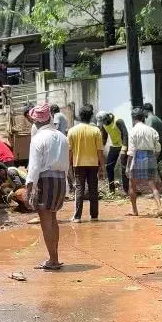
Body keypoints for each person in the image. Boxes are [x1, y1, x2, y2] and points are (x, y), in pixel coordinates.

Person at [25, 101, 69, 270]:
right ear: (50, 118)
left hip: (45, 180)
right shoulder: (62, 137)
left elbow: (34, 166)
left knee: (46, 221)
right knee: (53, 218)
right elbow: (66, 164)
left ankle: (53, 259)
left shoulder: (38, 138)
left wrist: (30, 188)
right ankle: (54, 257)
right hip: (59, 180)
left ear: (36, 121)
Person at [67, 104, 106, 223]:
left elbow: (70, 151)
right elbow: (100, 151)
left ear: (79, 116)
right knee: (93, 189)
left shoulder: (72, 131)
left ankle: (77, 217)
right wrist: (102, 167)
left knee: (79, 188)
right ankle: (94, 216)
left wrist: (69, 165)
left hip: (78, 164)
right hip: (93, 164)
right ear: (91, 117)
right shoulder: (96, 131)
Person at [126, 108, 162, 217]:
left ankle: (134, 211)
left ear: (133, 119)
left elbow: (131, 151)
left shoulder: (133, 131)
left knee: (132, 185)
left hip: (137, 157)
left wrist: (128, 167)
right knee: (152, 185)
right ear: (143, 118)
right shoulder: (152, 130)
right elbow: (158, 148)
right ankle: (160, 207)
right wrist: (154, 157)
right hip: (150, 156)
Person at [101, 112, 129, 193]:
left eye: (105, 122)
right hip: (114, 146)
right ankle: (111, 189)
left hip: (123, 145)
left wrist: (124, 148)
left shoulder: (118, 121)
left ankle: (126, 189)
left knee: (124, 167)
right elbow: (105, 136)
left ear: (108, 118)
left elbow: (125, 134)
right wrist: (101, 147)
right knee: (109, 167)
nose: (104, 124)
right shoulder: (104, 124)